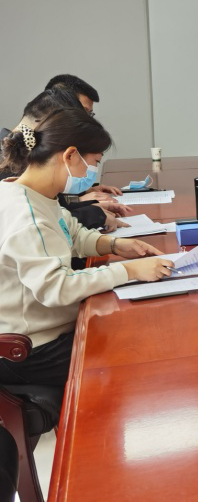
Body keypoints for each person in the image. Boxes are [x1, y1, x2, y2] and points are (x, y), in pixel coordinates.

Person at [0, 109, 173, 389]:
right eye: (94, 162)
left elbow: (71, 232)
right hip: (28, 350)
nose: (92, 173)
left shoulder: (30, 192)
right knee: (137, 354)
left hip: (42, 333)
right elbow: (57, 287)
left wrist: (114, 244)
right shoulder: (26, 215)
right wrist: (129, 271)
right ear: (70, 155)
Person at [2, 87, 131, 233]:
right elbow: (40, 220)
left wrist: (85, 200)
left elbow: (55, 208)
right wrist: (91, 212)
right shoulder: (13, 173)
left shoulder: (28, 159)